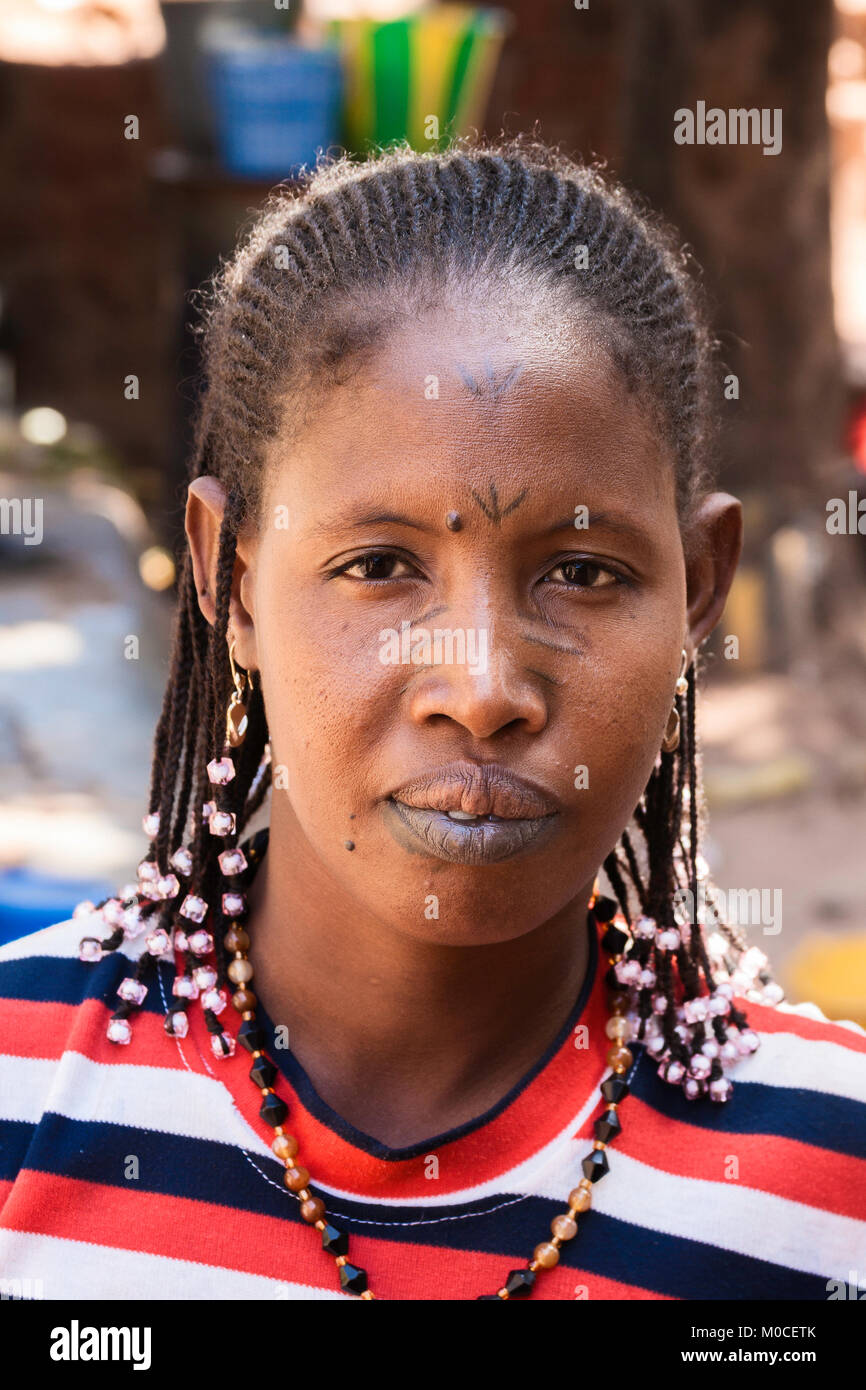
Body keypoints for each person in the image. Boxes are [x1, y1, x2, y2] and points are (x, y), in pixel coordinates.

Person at [1, 138, 864, 1302]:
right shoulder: (23, 1093)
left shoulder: (825, 1192)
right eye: (376, 564)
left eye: (584, 573)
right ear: (232, 580)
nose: (481, 687)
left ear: (700, 588)